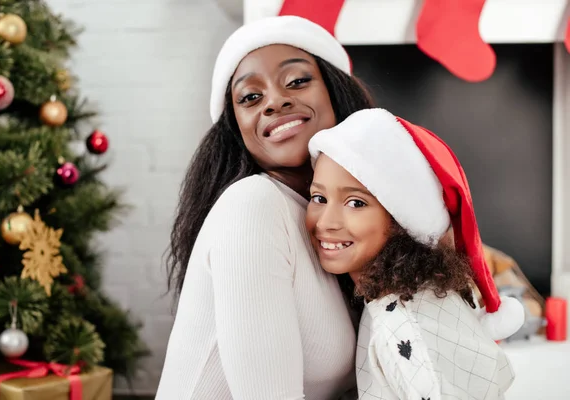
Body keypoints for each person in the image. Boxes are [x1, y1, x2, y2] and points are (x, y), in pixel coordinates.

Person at [156, 16, 375, 400]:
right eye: (250, 98)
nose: (275, 101)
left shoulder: (339, 220)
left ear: (335, 92)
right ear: (236, 126)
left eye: (297, 81)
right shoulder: (252, 207)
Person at [305, 108, 525, 400]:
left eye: (356, 203)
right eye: (319, 198)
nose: (326, 222)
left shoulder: (405, 324)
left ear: (400, 222)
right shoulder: (414, 295)